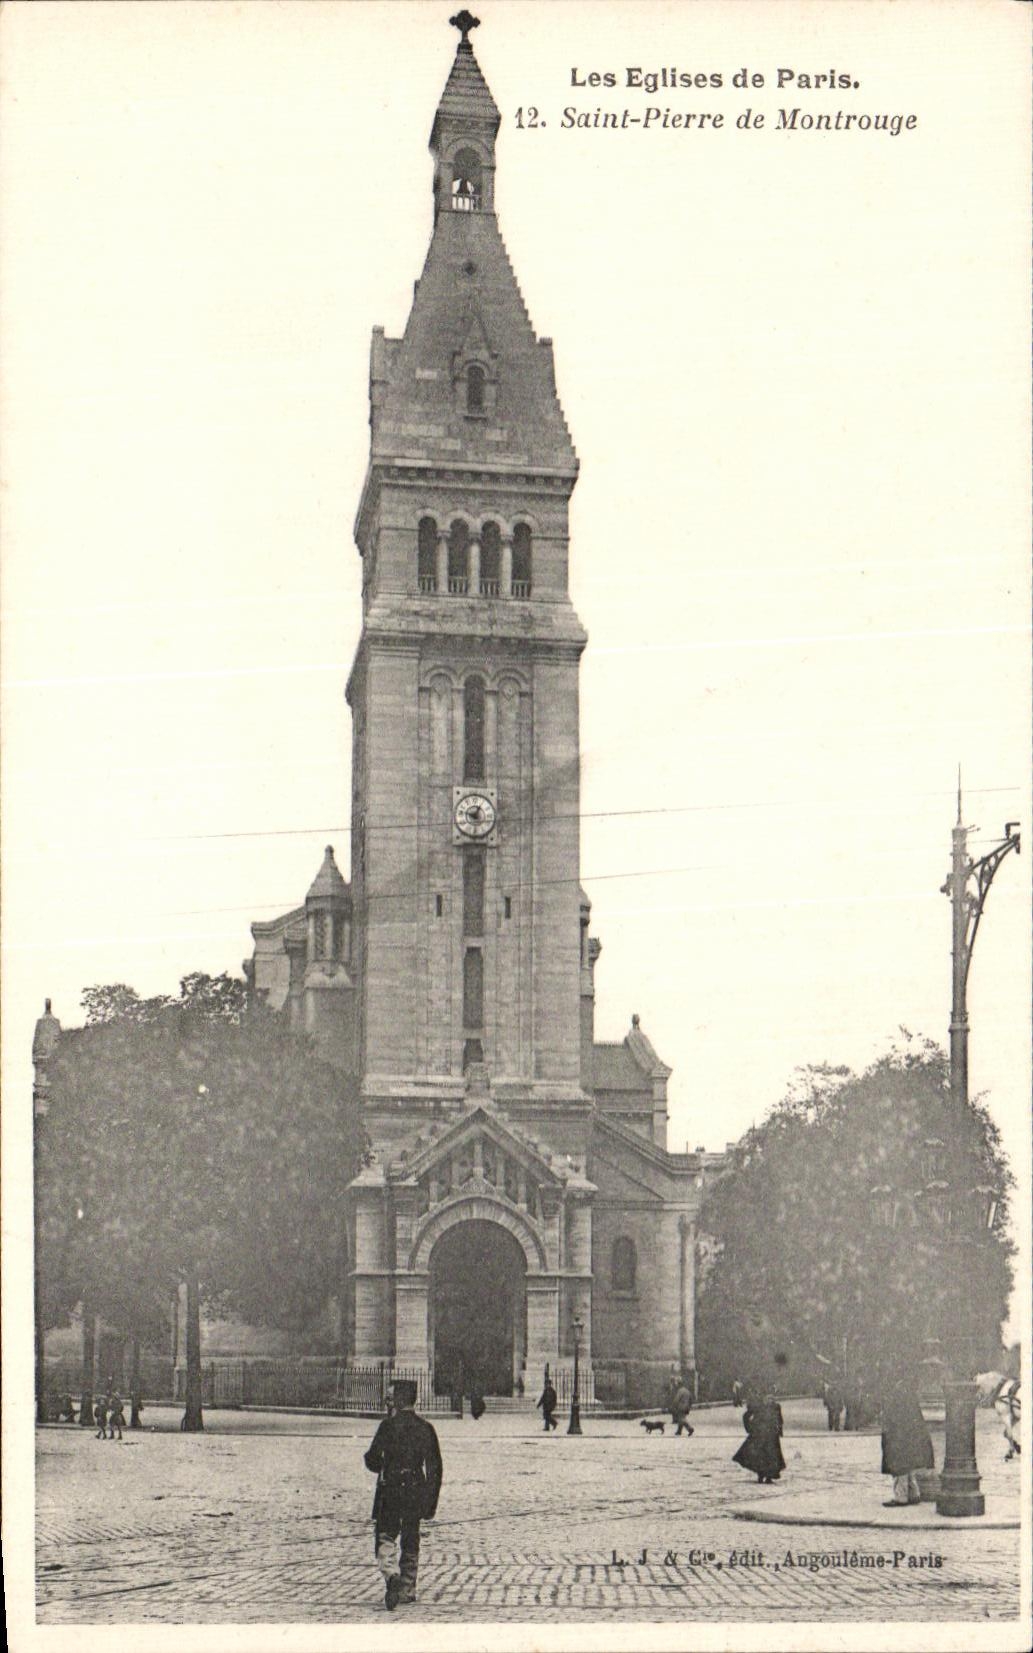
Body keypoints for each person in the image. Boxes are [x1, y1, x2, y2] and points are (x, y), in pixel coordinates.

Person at [363, 1378, 442, 1611]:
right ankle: (407, 1588)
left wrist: (380, 1464)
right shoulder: (426, 1428)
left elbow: (372, 1459)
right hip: (416, 1488)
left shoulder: (387, 1426)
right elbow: (435, 1468)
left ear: (398, 1399)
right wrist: (431, 1502)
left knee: (385, 1534)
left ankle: (391, 1576)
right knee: (411, 1537)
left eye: (391, 1396)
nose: (389, 1400)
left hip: (391, 1488)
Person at [880, 1374, 933, 1505]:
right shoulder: (907, 1392)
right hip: (909, 1434)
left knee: (899, 1465)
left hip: (898, 1434)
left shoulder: (897, 1392)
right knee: (908, 1465)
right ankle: (914, 1493)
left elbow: (892, 1415)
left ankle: (901, 1497)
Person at [733, 1393, 786, 1484]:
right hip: (759, 1435)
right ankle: (761, 1475)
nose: (770, 1400)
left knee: (771, 1456)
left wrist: (779, 1430)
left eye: (772, 1398)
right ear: (764, 1399)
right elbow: (746, 1416)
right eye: (768, 1398)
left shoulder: (776, 1407)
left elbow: (779, 1419)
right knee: (760, 1456)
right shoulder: (759, 1407)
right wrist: (749, 1428)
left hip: (772, 1436)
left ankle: (769, 1476)